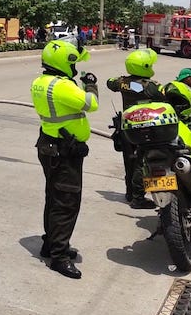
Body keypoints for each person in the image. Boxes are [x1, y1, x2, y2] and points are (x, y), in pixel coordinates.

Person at [30, 40, 98, 279]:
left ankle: (50, 243)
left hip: (50, 146)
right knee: (66, 203)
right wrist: (90, 85)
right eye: (74, 64)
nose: (76, 69)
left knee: (54, 197)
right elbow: (92, 104)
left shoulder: (41, 82)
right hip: (64, 150)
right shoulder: (62, 86)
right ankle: (58, 257)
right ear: (63, 63)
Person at [106, 48, 162, 209]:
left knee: (129, 161)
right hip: (144, 127)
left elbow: (110, 82)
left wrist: (125, 82)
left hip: (126, 127)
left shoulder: (123, 82)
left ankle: (130, 192)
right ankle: (138, 197)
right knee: (142, 161)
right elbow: (165, 95)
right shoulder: (151, 86)